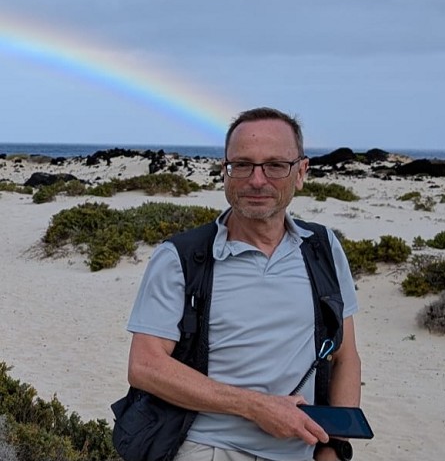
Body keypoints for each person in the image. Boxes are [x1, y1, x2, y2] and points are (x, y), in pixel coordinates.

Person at [127, 107, 361, 461]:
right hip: (208, 448)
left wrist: (334, 448)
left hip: (302, 452)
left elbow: (345, 356)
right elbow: (145, 366)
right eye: (242, 165)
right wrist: (255, 407)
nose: (257, 180)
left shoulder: (323, 248)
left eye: (275, 165)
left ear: (301, 172)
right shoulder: (181, 257)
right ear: (224, 171)